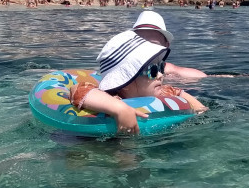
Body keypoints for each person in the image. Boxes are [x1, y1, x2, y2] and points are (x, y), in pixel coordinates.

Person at [71, 32, 207, 134]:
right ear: (125, 83)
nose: (160, 75)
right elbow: (78, 90)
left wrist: (199, 112)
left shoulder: (163, 92)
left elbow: (189, 100)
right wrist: (120, 109)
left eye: (160, 68)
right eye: (152, 70)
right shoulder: (113, 98)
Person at [130, 10, 207, 79]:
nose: (145, 49)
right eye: (139, 43)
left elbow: (202, 77)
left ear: (166, 46)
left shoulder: (171, 74)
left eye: (153, 45)